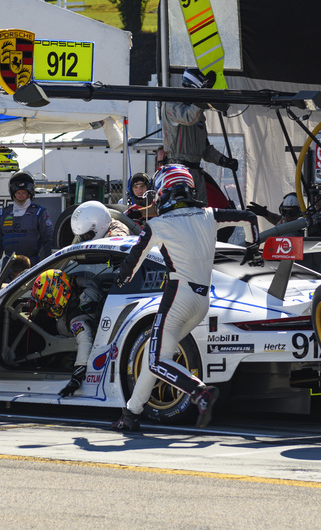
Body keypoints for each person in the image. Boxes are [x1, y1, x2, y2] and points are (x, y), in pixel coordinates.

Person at [111, 164, 260, 432]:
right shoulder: (209, 214)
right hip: (202, 301)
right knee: (157, 357)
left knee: (157, 360)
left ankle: (199, 391)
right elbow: (248, 217)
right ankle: (131, 413)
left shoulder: (158, 224)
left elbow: (133, 260)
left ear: (164, 192)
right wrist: (253, 248)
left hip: (178, 296)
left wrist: (120, 279)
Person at [161, 68, 239, 204]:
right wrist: (203, 97)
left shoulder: (199, 116)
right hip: (178, 170)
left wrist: (223, 160)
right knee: (182, 208)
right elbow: (188, 117)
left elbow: (205, 148)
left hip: (196, 171)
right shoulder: (172, 105)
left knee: (201, 211)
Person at [30, 268, 104, 398]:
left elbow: (85, 341)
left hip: (91, 343)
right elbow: (86, 282)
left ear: (58, 294)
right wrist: (71, 280)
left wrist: (77, 375)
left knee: (59, 326)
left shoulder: (76, 320)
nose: (47, 308)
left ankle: (68, 359)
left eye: (47, 303)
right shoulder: (87, 287)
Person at [0, 172, 53, 283]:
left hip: (32, 265)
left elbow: (48, 240)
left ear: (29, 193)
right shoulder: (4, 213)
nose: (21, 195)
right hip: (9, 266)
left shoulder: (39, 212)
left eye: (24, 192)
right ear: (13, 193)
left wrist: (47, 266)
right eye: (18, 192)